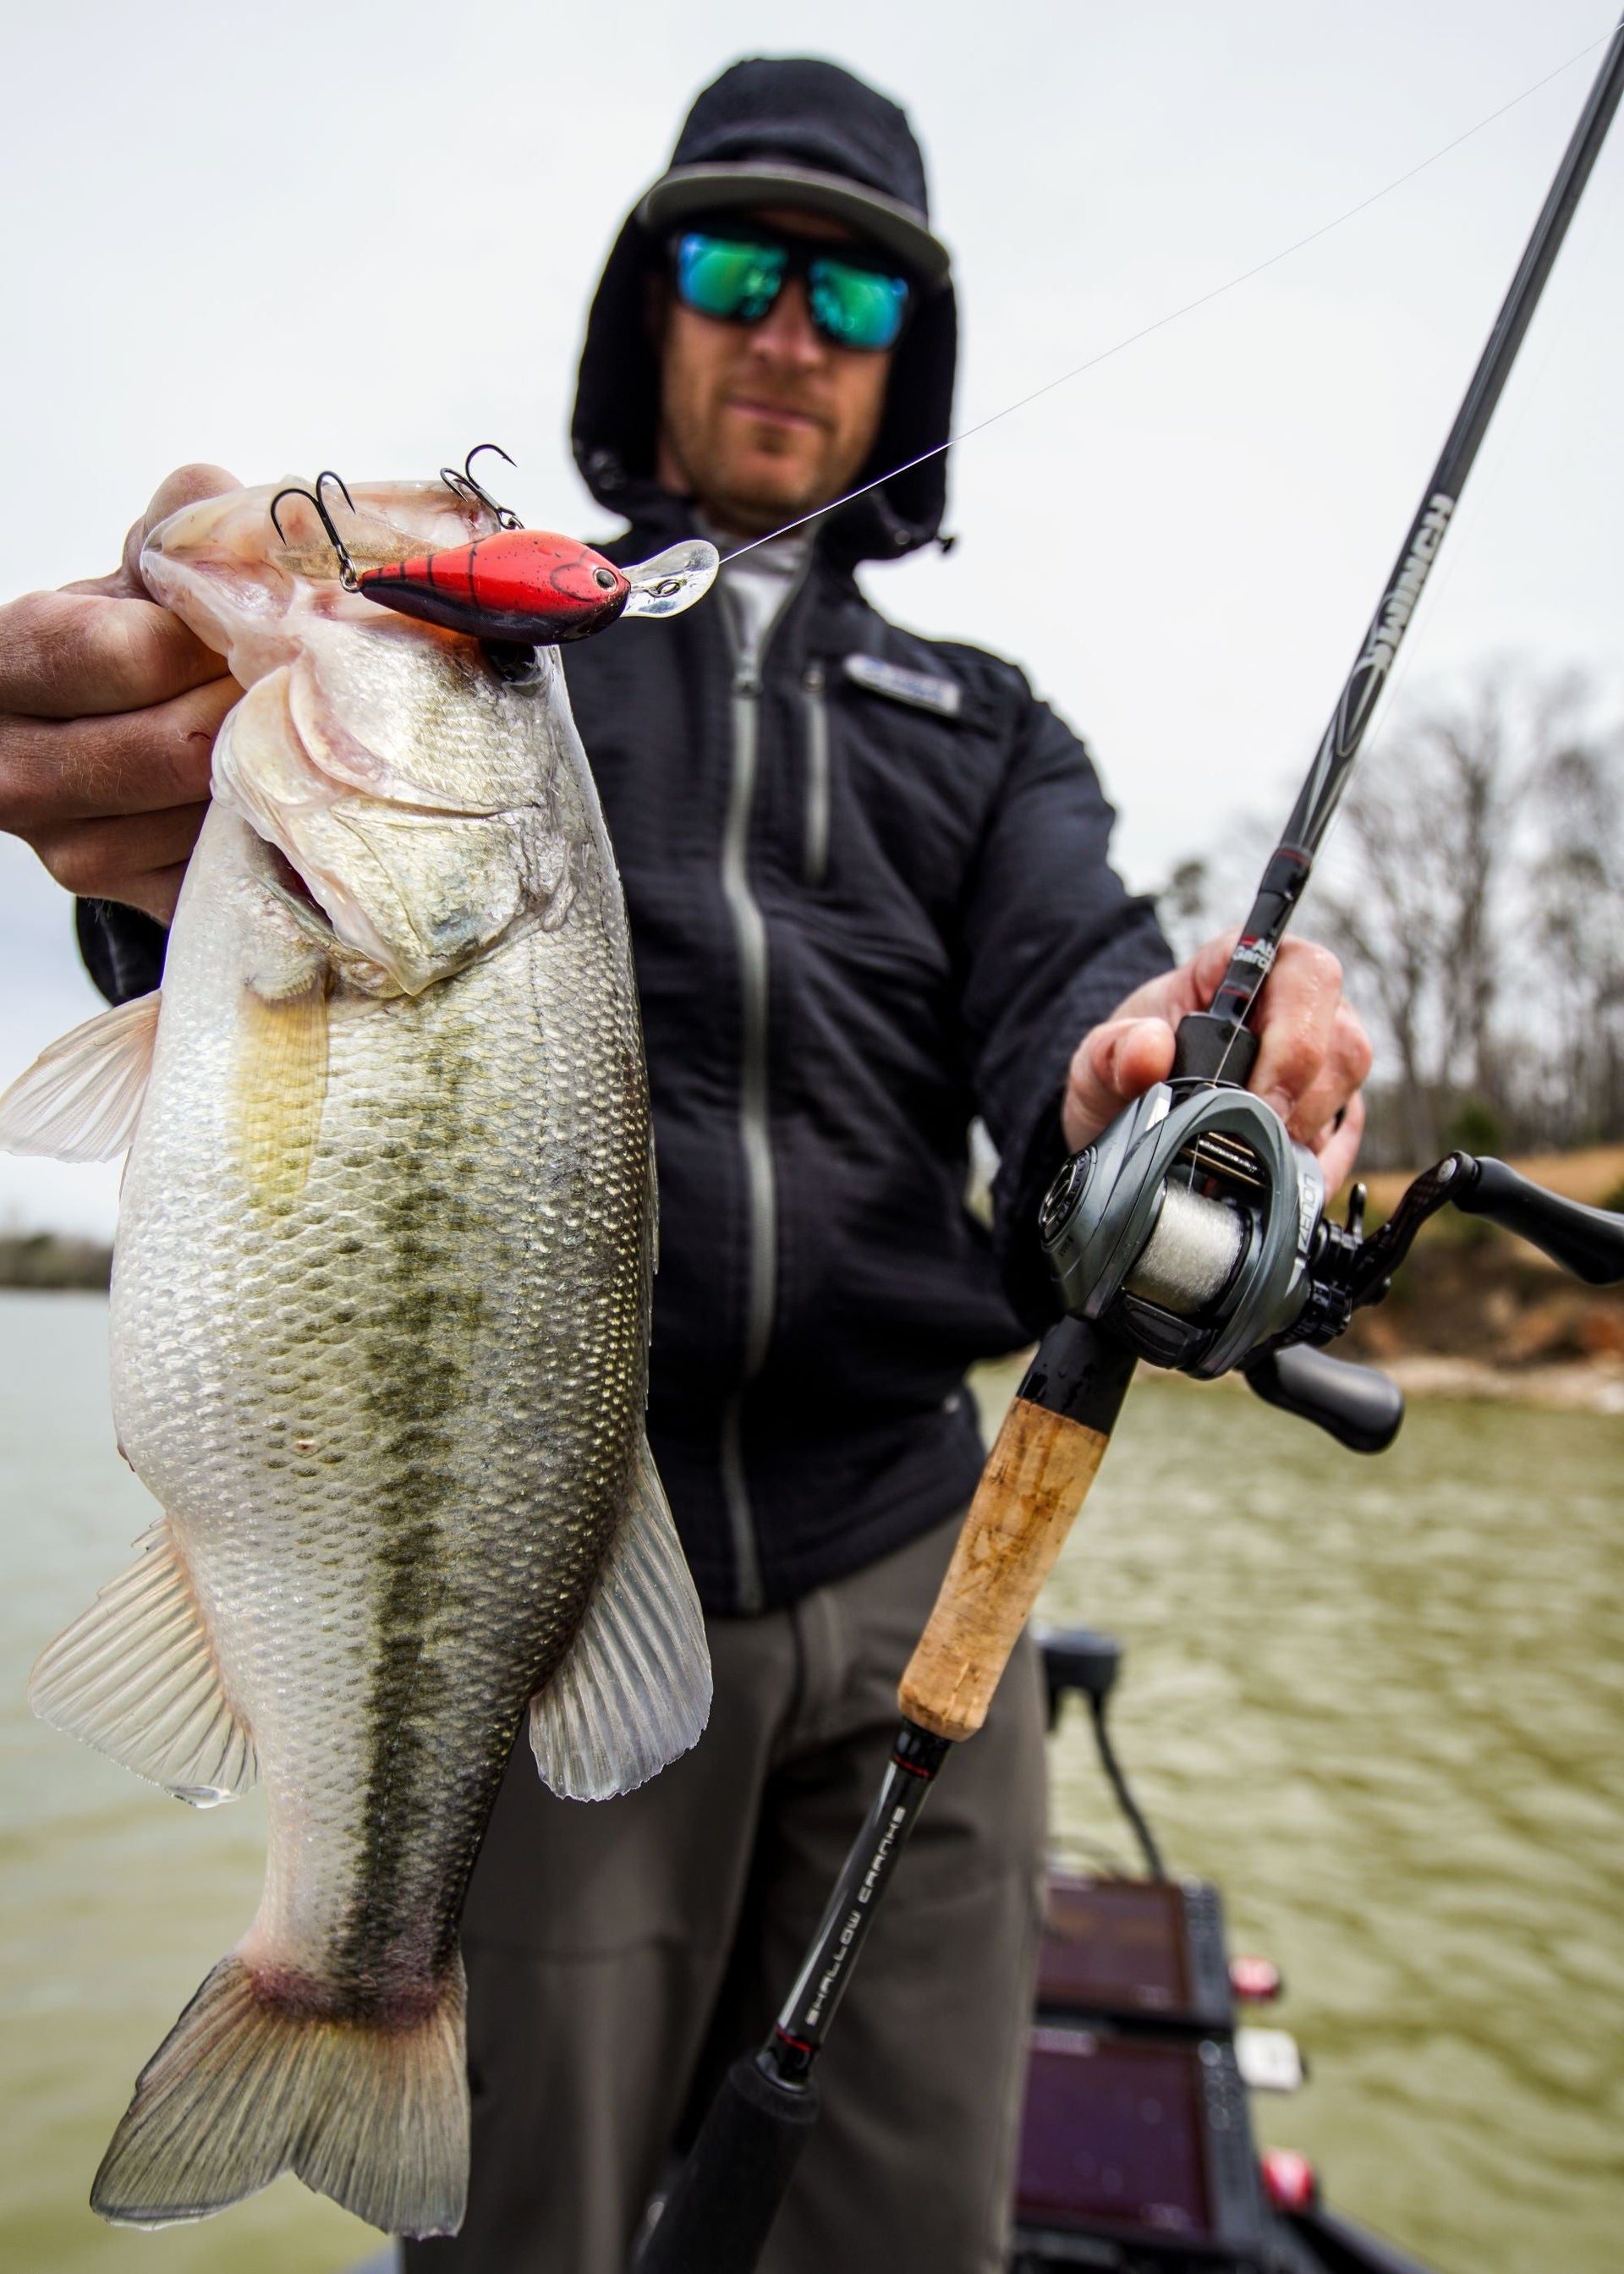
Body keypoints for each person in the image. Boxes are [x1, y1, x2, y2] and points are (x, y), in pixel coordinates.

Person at [0, 56, 1369, 2274]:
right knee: (516, 2221)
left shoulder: (991, 727)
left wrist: (1139, 1076)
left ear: (904, 362)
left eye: (855, 291)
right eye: (742, 265)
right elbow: (255, 970)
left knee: (904, 2229)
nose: (794, 328)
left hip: (924, 1569)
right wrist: (155, 846)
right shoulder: (502, 648)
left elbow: (1068, 1012)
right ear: (655, 309)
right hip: (539, 1609)